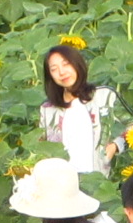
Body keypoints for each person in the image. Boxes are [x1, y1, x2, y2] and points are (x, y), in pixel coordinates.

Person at [38, 43, 120, 176]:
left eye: (66, 64)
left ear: (77, 64)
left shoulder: (104, 97)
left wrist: (115, 146)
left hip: (96, 180)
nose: (62, 72)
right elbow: (41, 146)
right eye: (54, 69)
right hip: (62, 181)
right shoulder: (48, 109)